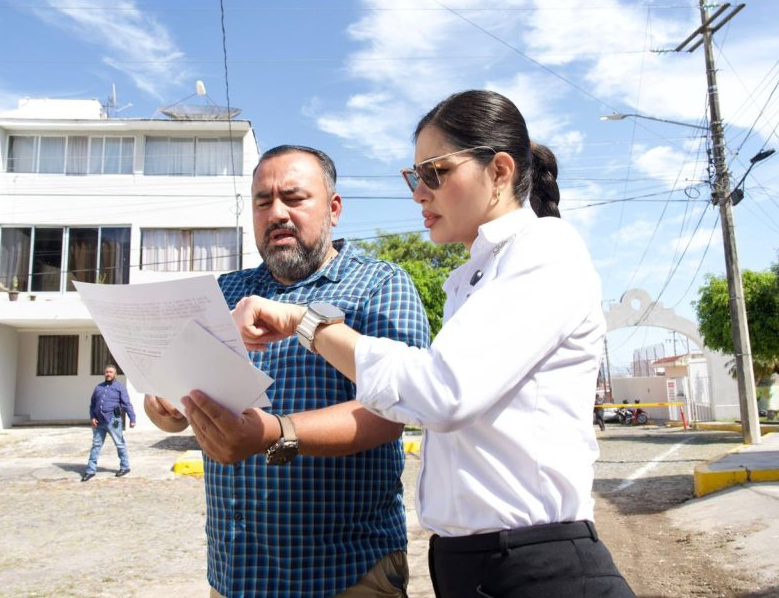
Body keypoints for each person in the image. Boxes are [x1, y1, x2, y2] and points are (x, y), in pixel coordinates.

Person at [233, 91, 636, 597]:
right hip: (477, 564)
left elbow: (439, 390)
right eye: (414, 177)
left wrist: (306, 322)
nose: (419, 194)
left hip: (538, 565)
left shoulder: (545, 249)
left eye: (435, 173)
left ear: (499, 171)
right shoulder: (474, 276)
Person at [145, 145, 430, 598]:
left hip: (347, 572)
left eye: (294, 198)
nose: (276, 213)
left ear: (334, 208)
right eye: (263, 202)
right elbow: (170, 410)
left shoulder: (380, 285)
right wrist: (165, 402)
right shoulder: (225, 291)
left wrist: (273, 434)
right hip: (235, 573)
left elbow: (394, 411)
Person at [82, 364, 135, 481]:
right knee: (96, 446)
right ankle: (90, 470)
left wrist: (132, 419)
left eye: (111, 372)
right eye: (107, 372)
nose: (108, 374)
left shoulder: (120, 387)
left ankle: (125, 467)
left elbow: (127, 404)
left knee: (119, 444)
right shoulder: (98, 387)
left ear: (115, 374)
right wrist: (92, 417)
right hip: (98, 422)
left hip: (113, 421)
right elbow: (92, 405)